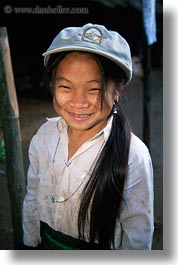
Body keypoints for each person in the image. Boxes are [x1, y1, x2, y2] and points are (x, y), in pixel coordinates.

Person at [22, 23, 154, 250]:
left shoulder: (133, 156)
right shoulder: (44, 137)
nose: (78, 102)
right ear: (51, 84)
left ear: (118, 88)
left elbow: (138, 233)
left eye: (93, 89)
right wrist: (29, 245)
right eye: (65, 86)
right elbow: (32, 196)